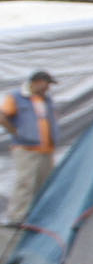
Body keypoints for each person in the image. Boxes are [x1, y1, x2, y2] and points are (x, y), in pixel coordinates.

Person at [2, 70, 58, 223]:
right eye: (47, 84)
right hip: (26, 148)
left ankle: (38, 216)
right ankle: (16, 217)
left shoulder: (46, 100)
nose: (48, 88)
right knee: (25, 183)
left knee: (43, 183)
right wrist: (16, 132)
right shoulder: (17, 97)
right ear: (37, 82)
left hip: (46, 149)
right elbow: (3, 116)